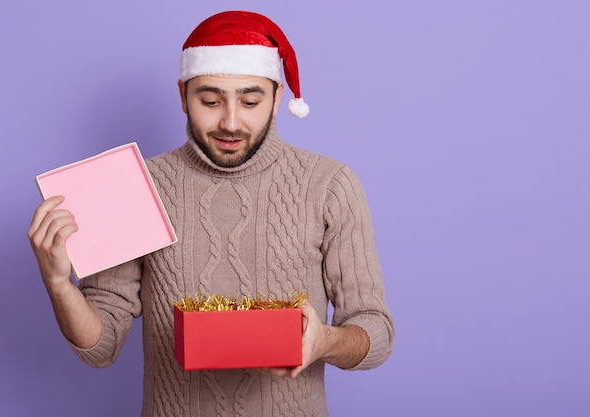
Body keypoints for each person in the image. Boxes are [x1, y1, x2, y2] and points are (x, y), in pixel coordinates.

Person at [28, 10, 394, 417]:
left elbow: (375, 333)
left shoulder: (330, 184)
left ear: (277, 99)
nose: (231, 121)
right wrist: (59, 283)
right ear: (182, 94)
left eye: (251, 100)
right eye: (210, 100)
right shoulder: (138, 183)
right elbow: (100, 348)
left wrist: (323, 341)